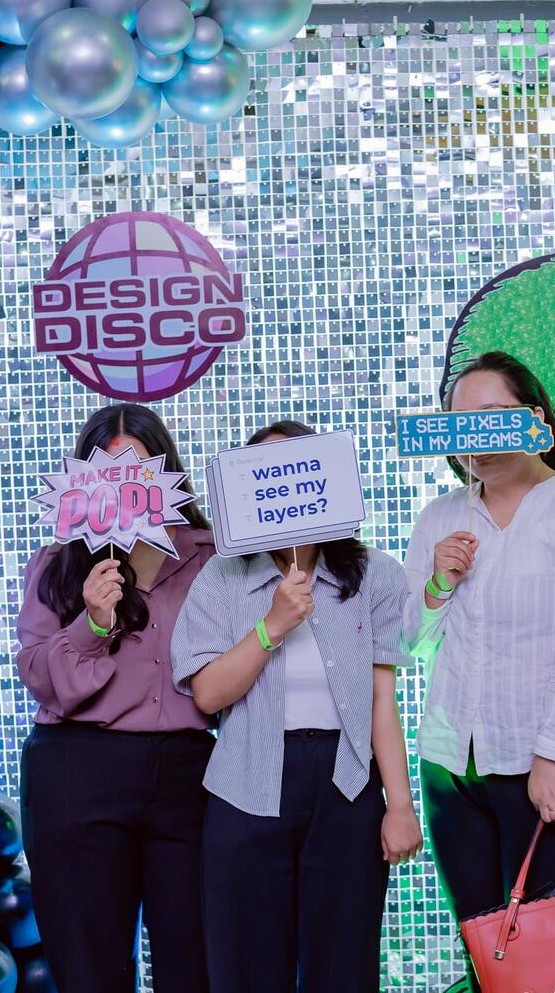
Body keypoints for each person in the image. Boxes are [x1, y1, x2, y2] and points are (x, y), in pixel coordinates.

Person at [172, 420, 422, 993]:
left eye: (293, 471)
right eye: (264, 475)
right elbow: (208, 694)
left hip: (346, 784)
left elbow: (381, 700)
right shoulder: (220, 578)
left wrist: (401, 804)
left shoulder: (375, 575)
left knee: (345, 968)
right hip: (246, 784)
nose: (281, 488)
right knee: (247, 969)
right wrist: (273, 626)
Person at [402, 350, 555, 984]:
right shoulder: (440, 516)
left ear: (535, 418)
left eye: (493, 414)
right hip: (453, 766)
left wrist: (552, 756)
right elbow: (410, 641)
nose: (476, 434)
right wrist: (439, 582)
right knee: (488, 955)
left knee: (549, 961)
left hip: (548, 766)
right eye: (460, 420)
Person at [14, 404, 215, 993]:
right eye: (110, 470)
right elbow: (37, 676)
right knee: (90, 969)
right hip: (78, 772)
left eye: (141, 469)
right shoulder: (59, 564)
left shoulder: (212, 558)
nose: (127, 485)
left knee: (197, 963)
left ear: (167, 473)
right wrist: (93, 623)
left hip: (189, 775)